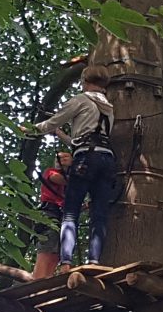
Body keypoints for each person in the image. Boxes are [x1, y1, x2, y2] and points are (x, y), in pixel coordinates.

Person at [24, 65, 116, 272]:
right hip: (107, 159)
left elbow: (54, 121)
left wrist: (31, 130)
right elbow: (84, 139)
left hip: (86, 159)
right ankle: (94, 261)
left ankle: (66, 262)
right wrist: (62, 136)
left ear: (84, 80)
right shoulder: (109, 108)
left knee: (70, 213)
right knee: (99, 214)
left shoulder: (81, 100)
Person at [32, 150, 72, 279]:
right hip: (48, 214)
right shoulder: (50, 172)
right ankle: (38, 280)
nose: (60, 161)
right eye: (58, 159)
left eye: (65, 157)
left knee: (56, 252)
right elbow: (59, 179)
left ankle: (46, 279)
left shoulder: (67, 186)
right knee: (47, 246)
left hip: (59, 216)